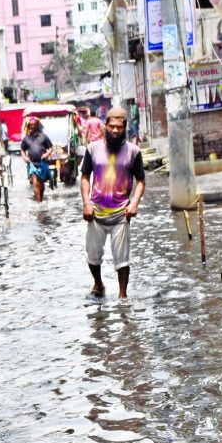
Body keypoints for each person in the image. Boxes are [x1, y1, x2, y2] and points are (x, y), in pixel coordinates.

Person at [79, 105, 145, 301]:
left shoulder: (133, 151)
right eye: (112, 126)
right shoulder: (92, 149)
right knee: (92, 255)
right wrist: (86, 203)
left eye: (120, 127)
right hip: (96, 211)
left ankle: (122, 297)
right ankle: (98, 284)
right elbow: (84, 177)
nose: (115, 130)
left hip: (121, 213)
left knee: (122, 260)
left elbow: (141, 181)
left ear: (125, 128)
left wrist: (134, 203)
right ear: (104, 126)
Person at [20, 115, 54, 203]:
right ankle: (38, 202)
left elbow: (50, 148)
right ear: (28, 126)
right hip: (32, 164)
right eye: (31, 125)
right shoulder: (26, 138)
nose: (33, 126)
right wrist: (25, 157)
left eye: (34, 124)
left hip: (42, 163)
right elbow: (22, 149)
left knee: (41, 183)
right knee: (35, 182)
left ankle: (41, 199)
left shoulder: (43, 136)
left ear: (37, 125)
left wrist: (47, 154)